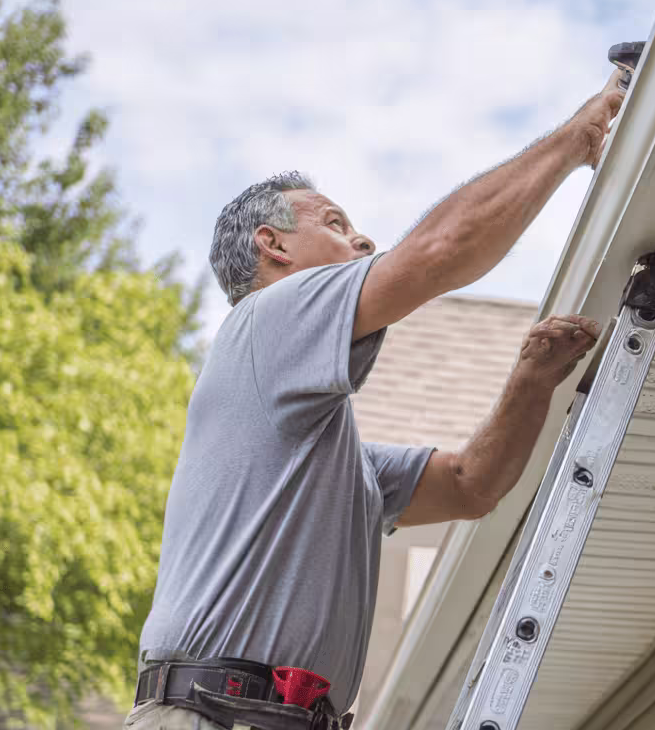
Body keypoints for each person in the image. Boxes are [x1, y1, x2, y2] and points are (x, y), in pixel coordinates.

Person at [125, 74, 625, 730]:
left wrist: (532, 381)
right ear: (272, 247)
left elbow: (470, 485)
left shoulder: (332, 461)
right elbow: (440, 253)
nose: (363, 243)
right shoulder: (265, 318)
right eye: (335, 224)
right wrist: (577, 137)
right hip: (215, 716)